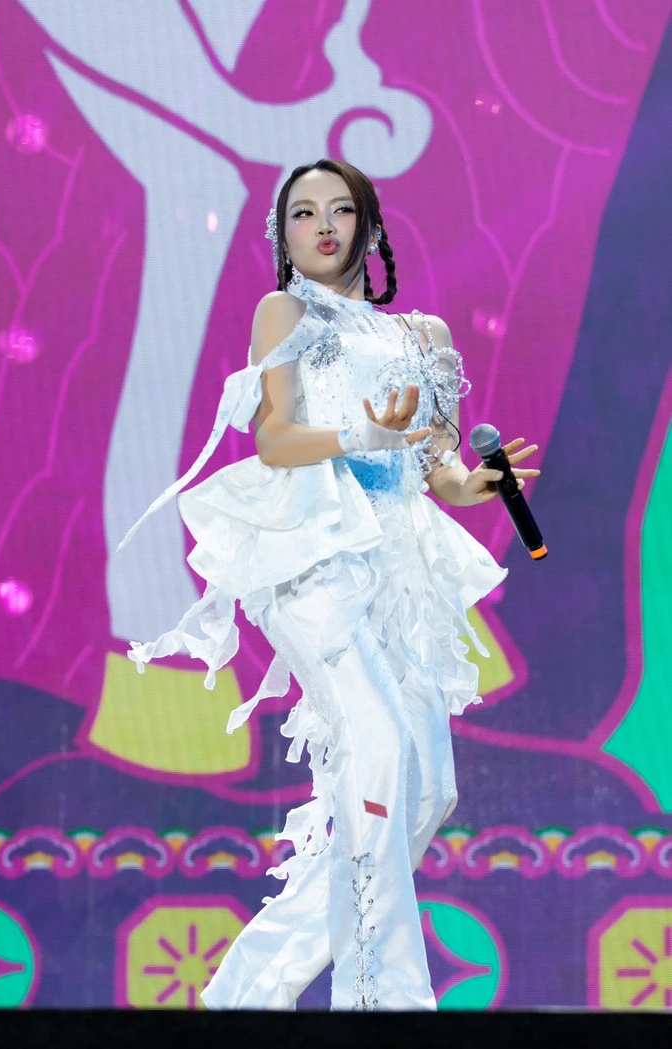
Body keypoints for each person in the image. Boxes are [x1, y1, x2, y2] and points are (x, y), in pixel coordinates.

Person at [117, 158, 540, 1011]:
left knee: (429, 789)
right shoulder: (286, 312)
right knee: (377, 747)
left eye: (339, 209)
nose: (321, 225)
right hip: (314, 553)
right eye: (302, 213)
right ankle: (382, 999)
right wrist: (357, 434)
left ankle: (245, 994)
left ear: (368, 225)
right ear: (284, 234)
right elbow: (275, 439)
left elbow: (434, 463)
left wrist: (471, 484)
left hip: (397, 562)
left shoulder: (424, 335)